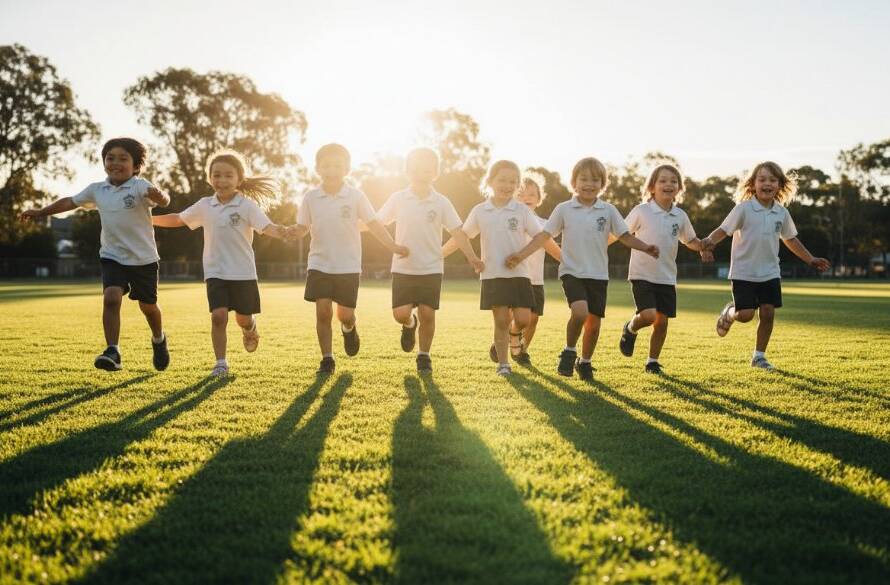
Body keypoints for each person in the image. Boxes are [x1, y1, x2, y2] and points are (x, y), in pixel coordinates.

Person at [20, 137, 171, 372]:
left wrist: (161, 197)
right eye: (110, 158)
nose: (115, 163)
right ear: (103, 162)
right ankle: (113, 351)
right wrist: (41, 211)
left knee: (148, 307)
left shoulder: (140, 186)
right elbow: (69, 202)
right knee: (111, 298)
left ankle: (159, 339)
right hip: (112, 256)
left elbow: (161, 198)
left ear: (136, 165)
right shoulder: (97, 190)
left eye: (123, 159)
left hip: (144, 259)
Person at [506, 157, 658, 380]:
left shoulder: (608, 210)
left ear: (602, 184)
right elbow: (544, 237)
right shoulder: (564, 209)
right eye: (583, 179)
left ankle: (585, 362)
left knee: (593, 325)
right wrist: (520, 255)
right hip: (572, 272)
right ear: (574, 182)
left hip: (598, 274)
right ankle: (569, 350)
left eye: (595, 180)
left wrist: (645, 247)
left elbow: (624, 235)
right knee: (580, 312)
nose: (589, 184)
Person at [151, 149, 291, 377]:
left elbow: (267, 227)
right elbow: (178, 218)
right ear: (209, 178)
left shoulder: (246, 205)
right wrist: (149, 220)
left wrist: (284, 232)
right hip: (215, 271)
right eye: (216, 175)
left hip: (243, 272)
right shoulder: (205, 205)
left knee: (242, 318)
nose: (222, 180)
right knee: (218, 316)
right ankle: (221, 363)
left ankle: (250, 327)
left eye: (228, 175)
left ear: (239, 179)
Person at [287, 143, 409, 375]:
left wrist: (392, 245)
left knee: (345, 314)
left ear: (346, 169)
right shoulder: (311, 198)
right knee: (323, 311)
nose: (331, 170)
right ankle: (327, 359)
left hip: (348, 265)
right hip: (319, 263)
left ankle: (349, 327)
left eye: (337, 165)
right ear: (317, 169)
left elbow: (374, 224)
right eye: (326, 166)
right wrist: (293, 231)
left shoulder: (355, 196)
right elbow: (303, 227)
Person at [700, 161, 830, 370]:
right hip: (743, 272)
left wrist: (810, 259)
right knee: (745, 315)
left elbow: (791, 239)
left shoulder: (781, 213)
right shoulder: (743, 209)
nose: (767, 184)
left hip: (770, 272)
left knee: (768, 313)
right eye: (762, 179)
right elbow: (723, 230)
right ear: (753, 184)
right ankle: (730, 312)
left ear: (780, 185)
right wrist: (707, 244)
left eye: (772, 180)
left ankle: (759, 357)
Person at [378, 147, 483, 373]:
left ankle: (424, 355)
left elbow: (458, 232)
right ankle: (409, 325)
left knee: (428, 313)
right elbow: (376, 222)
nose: (420, 173)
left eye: (426, 170)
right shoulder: (398, 198)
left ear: (435, 173)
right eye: (415, 169)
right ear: (407, 171)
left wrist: (472, 257)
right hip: (403, 268)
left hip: (431, 268)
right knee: (401, 314)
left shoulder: (441, 202)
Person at [617, 164, 713, 374]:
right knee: (649, 315)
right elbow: (622, 233)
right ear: (652, 187)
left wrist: (702, 247)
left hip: (666, 276)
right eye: (662, 180)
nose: (668, 184)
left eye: (673, 181)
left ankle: (652, 361)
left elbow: (690, 240)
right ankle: (630, 328)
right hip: (641, 273)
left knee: (661, 323)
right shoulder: (641, 211)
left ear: (679, 188)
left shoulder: (680, 216)